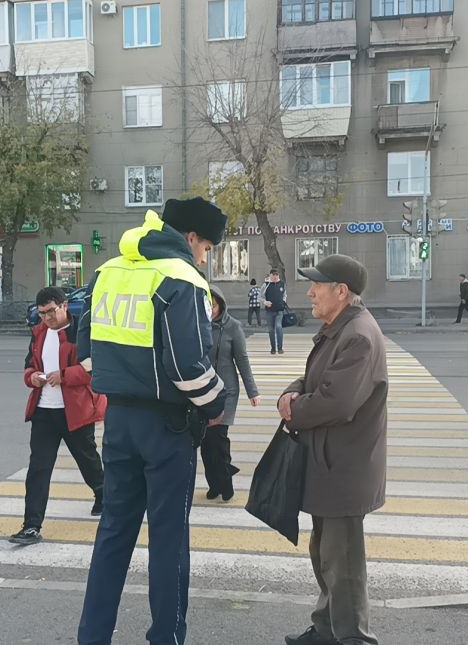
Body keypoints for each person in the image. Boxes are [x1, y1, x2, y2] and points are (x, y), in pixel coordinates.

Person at [76, 197, 229, 645]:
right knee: (167, 542)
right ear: (192, 237)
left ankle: (93, 636)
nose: (205, 257)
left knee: (113, 536)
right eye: (207, 247)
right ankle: (166, 637)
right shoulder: (182, 278)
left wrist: (122, 378)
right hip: (168, 427)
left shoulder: (108, 271)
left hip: (118, 421)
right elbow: (189, 369)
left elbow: (85, 349)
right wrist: (216, 404)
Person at [278, 254, 387, 645]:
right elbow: (313, 379)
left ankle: (354, 638)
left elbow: (336, 402)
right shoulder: (339, 329)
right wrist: (292, 392)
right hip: (330, 463)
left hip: (343, 466)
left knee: (343, 564)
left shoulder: (357, 335)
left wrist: (293, 409)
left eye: (317, 285)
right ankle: (326, 629)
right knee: (325, 554)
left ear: (341, 292)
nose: (310, 292)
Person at [11, 287, 106, 546]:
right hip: (44, 411)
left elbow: (94, 370)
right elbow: (29, 365)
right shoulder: (38, 333)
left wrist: (63, 376)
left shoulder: (80, 333)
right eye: (42, 314)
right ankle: (31, 526)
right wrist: (31, 377)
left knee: (87, 460)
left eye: (51, 312)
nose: (47, 318)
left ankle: (103, 494)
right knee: (38, 469)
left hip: (75, 410)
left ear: (64, 306)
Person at [202, 285, 260, 502]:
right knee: (206, 443)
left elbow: (242, 360)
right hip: (202, 390)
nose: (210, 309)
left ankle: (225, 482)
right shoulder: (198, 325)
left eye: (213, 304)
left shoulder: (233, 327)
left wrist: (252, 391)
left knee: (219, 439)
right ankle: (214, 484)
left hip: (226, 392)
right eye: (207, 304)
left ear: (221, 304)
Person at [264, 268, 287, 355]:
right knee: (271, 330)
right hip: (269, 311)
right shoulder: (266, 285)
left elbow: (285, 294)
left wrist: (284, 301)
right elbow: (260, 296)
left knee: (278, 327)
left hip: (279, 311)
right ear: (270, 275)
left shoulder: (282, 284)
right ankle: (273, 348)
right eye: (273, 274)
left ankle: (280, 348)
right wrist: (265, 302)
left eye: (276, 274)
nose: (275, 276)